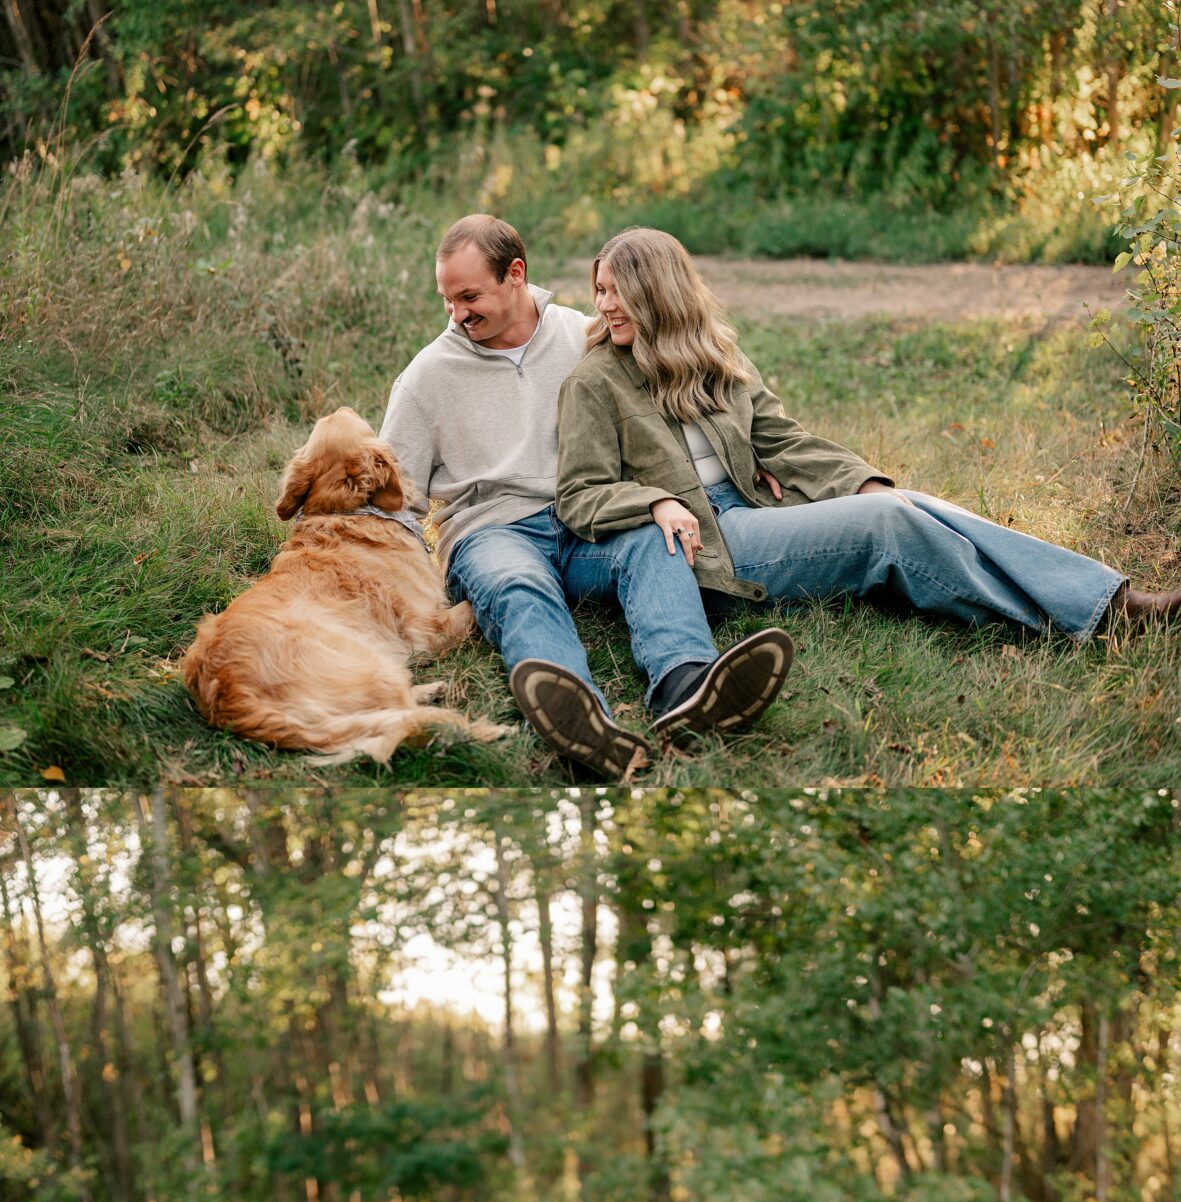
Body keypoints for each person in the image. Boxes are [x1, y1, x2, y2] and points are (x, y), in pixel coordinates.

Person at [553, 229, 1181, 732]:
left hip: (750, 513)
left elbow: (784, 441)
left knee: (902, 505)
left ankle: (1106, 602)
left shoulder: (715, 360)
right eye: (600, 290)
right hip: (705, 547)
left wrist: (861, 482)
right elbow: (580, 495)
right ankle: (1096, 616)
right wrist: (657, 499)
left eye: (618, 291)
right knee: (889, 526)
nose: (604, 305)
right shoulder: (595, 381)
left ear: (659, 294)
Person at [377, 215, 795, 780]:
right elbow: (394, 499)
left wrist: (752, 454)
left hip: (590, 519)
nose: (457, 314)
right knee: (516, 584)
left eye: (470, 296)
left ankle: (686, 687)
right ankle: (581, 721)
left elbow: (677, 381)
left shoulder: (584, 337)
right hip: (494, 529)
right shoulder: (426, 377)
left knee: (655, 536)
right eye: (447, 300)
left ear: (516, 274)